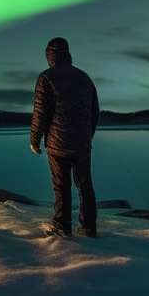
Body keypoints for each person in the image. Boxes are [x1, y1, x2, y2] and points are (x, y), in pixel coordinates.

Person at [30, 37, 100, 237]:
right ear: (68, 54)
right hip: (82, 143)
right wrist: (87, 136)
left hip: (57, 143)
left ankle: (62, 226)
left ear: (49, 56)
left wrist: (34, 140)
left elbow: (40, 113)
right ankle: (88, 227)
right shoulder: (84, 77)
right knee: (85, 184)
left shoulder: (46, 77)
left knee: (61, 186)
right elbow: (95, 112)